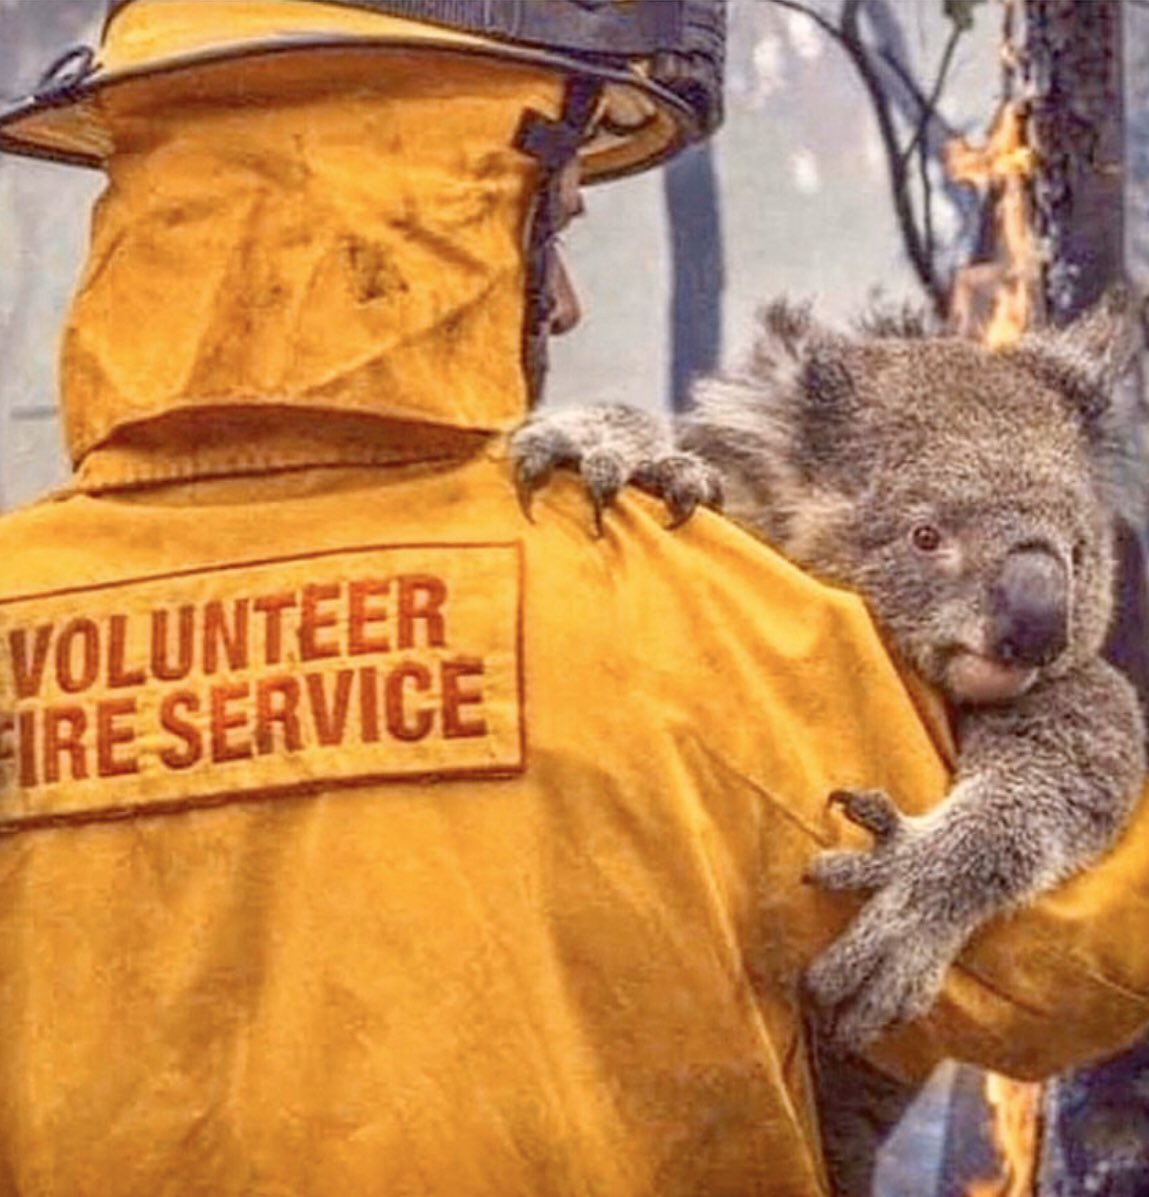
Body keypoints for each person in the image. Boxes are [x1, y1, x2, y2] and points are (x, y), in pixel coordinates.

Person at [0, 2, 1148, 1194]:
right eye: (542, 232)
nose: (565, 306)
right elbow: (1060, 971)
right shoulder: (690, 611)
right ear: (435, 209)